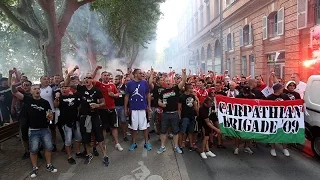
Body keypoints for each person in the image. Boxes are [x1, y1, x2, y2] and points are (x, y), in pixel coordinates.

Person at [11, 83, 57, 178]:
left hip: (45, 129)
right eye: (34, 89)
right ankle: (35, 168)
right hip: (33, 130)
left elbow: (49, 116)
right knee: (33, 150)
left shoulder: (45, 102)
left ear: (40, 91)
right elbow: (15, 92)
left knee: (48, 147)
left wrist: (50, 118)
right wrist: (12, 83)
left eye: (38, 89)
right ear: (31, 91)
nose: (37, 90)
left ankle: (49, 165)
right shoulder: (27, 99)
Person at [66, 66, 110, 166]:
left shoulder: (97, 90)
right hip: (84, 117)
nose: (87, 79)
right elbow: (67, 83)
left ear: (92, 80)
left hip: (94, 116)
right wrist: (71, 72)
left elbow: (103, 103)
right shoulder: (80, 88)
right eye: (85, 78)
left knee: (99, 137)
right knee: (86, 137)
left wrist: (97, 105)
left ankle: (105, 155)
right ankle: (89, 154)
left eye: (89, 78)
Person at [92, 66, 123, 152]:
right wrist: (96, 69)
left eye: (107, 75)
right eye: (104, 75)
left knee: (114, 127)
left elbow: (118, 94)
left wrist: (113, 95)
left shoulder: (112, 85)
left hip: (112, 109)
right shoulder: (99, 84)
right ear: (101, 77)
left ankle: (117, 143)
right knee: (104, 128)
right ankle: (103, 144)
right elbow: (90, 79)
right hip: (102, 109)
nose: (106, 76)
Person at [157, 69, 187, 154]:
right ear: (164, 83)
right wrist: (161, 104)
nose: (168, 82)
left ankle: (176, 146)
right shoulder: (162, 91)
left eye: (169, 81)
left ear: (172, 82)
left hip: (174, 113)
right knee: (163, 131)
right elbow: (159, 101)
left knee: (175, 131)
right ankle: (162, 146)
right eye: (166, 81)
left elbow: (183, 81)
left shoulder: (176, 89)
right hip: (165, 114)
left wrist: (184, 73)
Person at [53, 82, 82, 164]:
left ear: (69, 88)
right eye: (62, 87)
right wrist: (56, 98)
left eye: (66, 87)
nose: (64, 88)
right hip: (65, 123)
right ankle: (69, 156)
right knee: (68, 140)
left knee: (78, 138)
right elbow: (55, 105)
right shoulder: (60, 98)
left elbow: (79, 105)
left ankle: (78, 152)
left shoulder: (74, 96)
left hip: (75, 121)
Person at [124, 69, 152, 151]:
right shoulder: (129, 84)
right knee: (133, 127)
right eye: (140, 73)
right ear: (135, 74)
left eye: (142, 73)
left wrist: (149, 106)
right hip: (133, 109)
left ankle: (147, 142)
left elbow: (148, 94)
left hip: (143, 108)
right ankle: (134, 143)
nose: (142, 74)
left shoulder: (144, 83)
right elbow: (126, 96)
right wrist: (125, 108)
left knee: (145, 126)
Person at [266, 83, 291, 157]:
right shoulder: (269, 97)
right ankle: (273, 148)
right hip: (273, 118)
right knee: (273, 133)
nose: (283, 89)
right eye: (281, 88)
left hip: (283, 118)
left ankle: (285, 148)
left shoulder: (285, 96)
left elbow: (291, 104)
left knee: (284, 132)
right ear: (277, 89)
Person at [234, 86, 255, 155]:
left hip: (249, 117)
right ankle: (236, 147)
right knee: (238, 133)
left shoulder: (252, 97)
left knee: (249, 132)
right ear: (243, 92)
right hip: (240, 117)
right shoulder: (238, 97)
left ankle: (247, 146)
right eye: (245, 93)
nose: (246, 94)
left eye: (247, 93)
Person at [178, 83, 198, 151]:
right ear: (188, 89)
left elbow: (195, 106)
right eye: (192, 88)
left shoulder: (193, 96)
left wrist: (197, 114)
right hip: (184, 116)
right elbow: (179, 108)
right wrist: (179, 117)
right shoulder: (181, 97)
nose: (193, 89)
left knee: (190, 131)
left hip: (191, 116)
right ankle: (180, 145)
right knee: (182, 131)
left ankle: (191, 145)